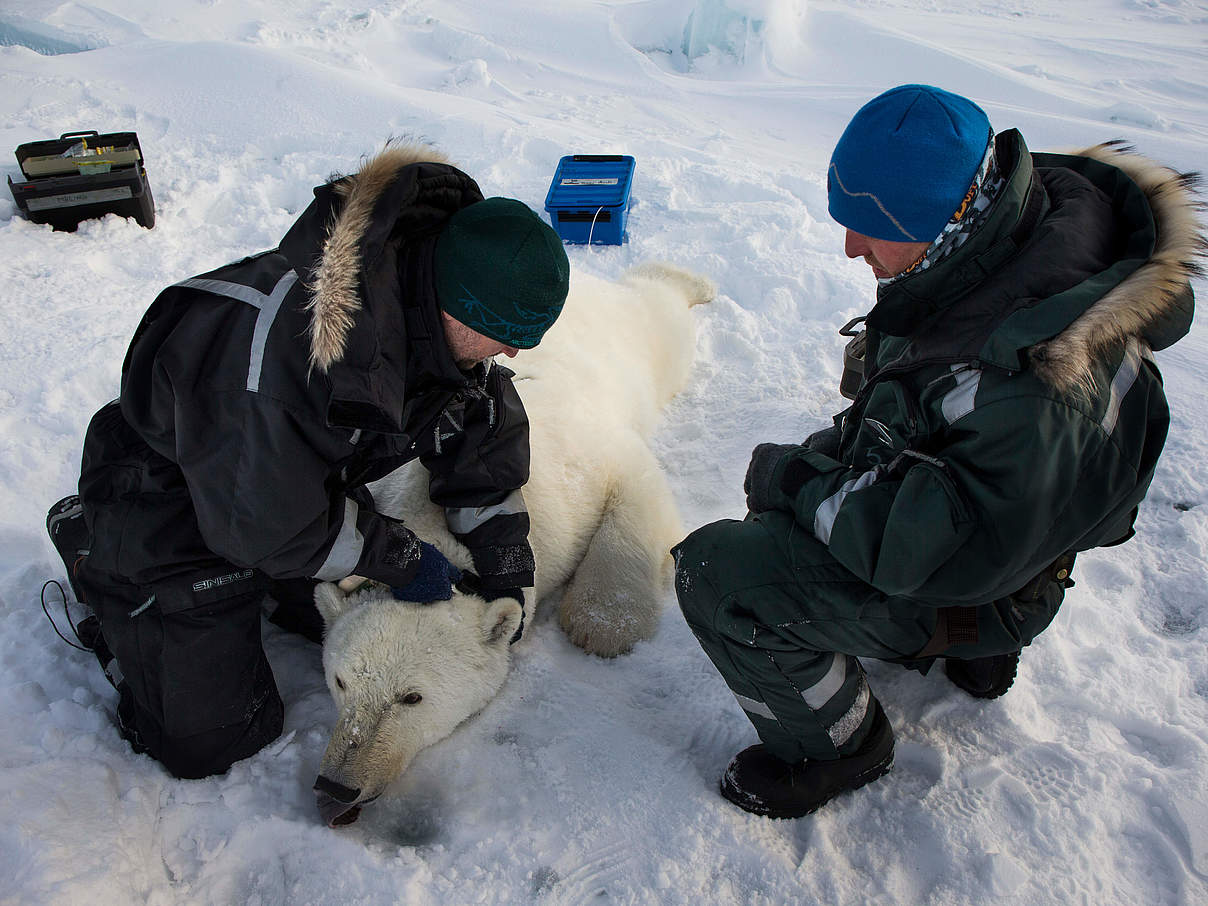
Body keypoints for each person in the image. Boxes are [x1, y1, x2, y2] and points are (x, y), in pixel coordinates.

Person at [673, 84, 1201, 818]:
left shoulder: (1027, 379)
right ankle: (976, 643)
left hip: (983, 561)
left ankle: (843, 744)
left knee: (719, 574)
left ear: (951, 214)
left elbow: (921, 545)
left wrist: (795, 481)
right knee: (860, 454)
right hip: (1024, 543)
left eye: (871, 228)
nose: (851, 247)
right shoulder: (1020, 238)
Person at [45, 144, 570, 779]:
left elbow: (478, 442)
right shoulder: (285, 347)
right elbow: (263, 523)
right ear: (456, 306)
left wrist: (505, 553)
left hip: (288, 491)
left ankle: (249, 586)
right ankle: (96, 551)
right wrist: (399, 557)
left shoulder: (431, 326)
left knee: (349, 617)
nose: (512, 354)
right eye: (508, 335)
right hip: (167, 491)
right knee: (216, 737)